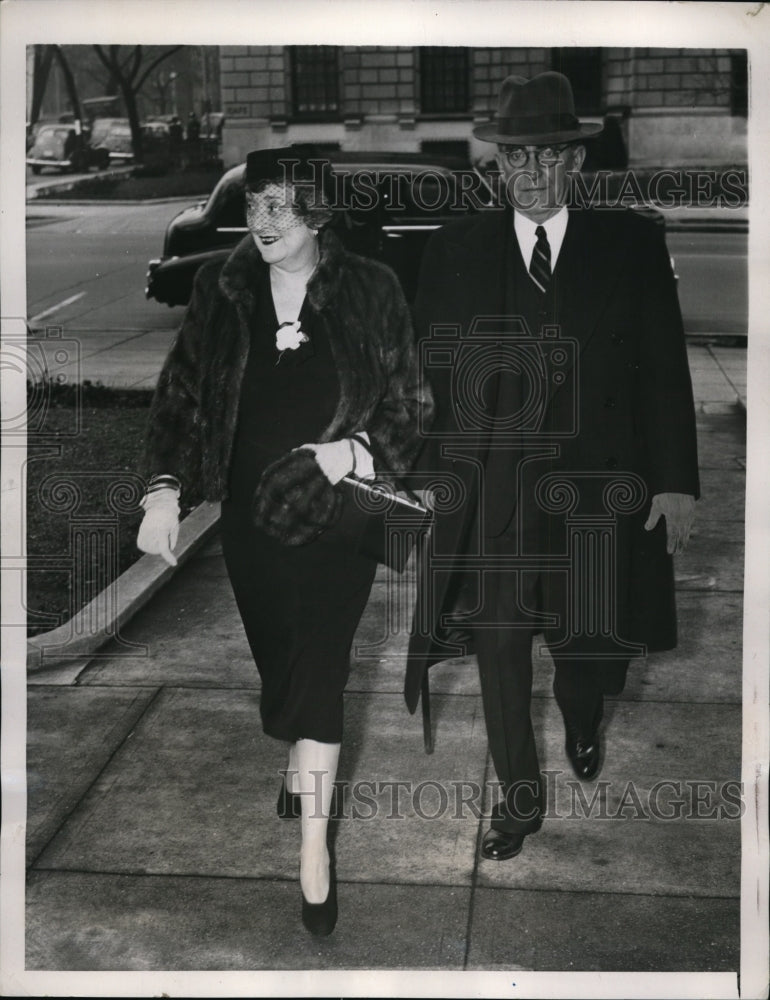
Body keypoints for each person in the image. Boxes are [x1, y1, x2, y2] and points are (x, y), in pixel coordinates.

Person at [136, 145, 432, 934]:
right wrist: (163, 492)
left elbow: (410, 403)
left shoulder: (371, 289)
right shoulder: (221, 288)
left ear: (318, 215)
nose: (262, 222)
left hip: (335, 515)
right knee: (280, 657)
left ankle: (314, 855)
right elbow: (182, 395)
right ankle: (297, 752)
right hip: (250, 520)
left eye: (281, 206)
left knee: (322, 669)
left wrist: (353, 452)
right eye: (255, 205)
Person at [405, 72, 699, 861]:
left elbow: (665, 372)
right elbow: (427, 381)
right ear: (497, 167)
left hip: (596, 491)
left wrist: (675, 481)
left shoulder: (632, 245)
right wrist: (427, 483)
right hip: (494, 491)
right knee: (500, 645)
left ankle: (583, 713)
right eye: (515, 159)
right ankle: (520, 799)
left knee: (587, 649)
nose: (531, 175)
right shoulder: (456, 249)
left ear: (575, 162)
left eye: (547, 157)